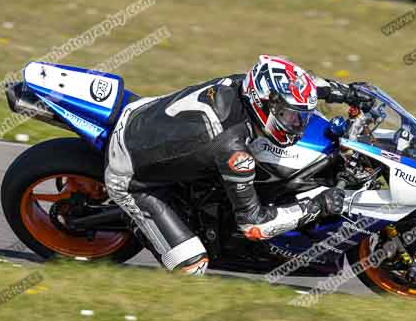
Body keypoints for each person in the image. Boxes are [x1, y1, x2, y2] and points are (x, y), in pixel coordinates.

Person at [104, 55, 373, 275]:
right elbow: (254, 225)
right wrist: (318, 206)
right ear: (263, 103)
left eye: (300, 117)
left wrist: (347, 93)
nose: (297, 126)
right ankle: (137, 223)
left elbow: (305, 87)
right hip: (131, 176)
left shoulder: (244, 85)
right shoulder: (234, 151)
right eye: (290, 117)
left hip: (145, 116)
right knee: (193, 266)